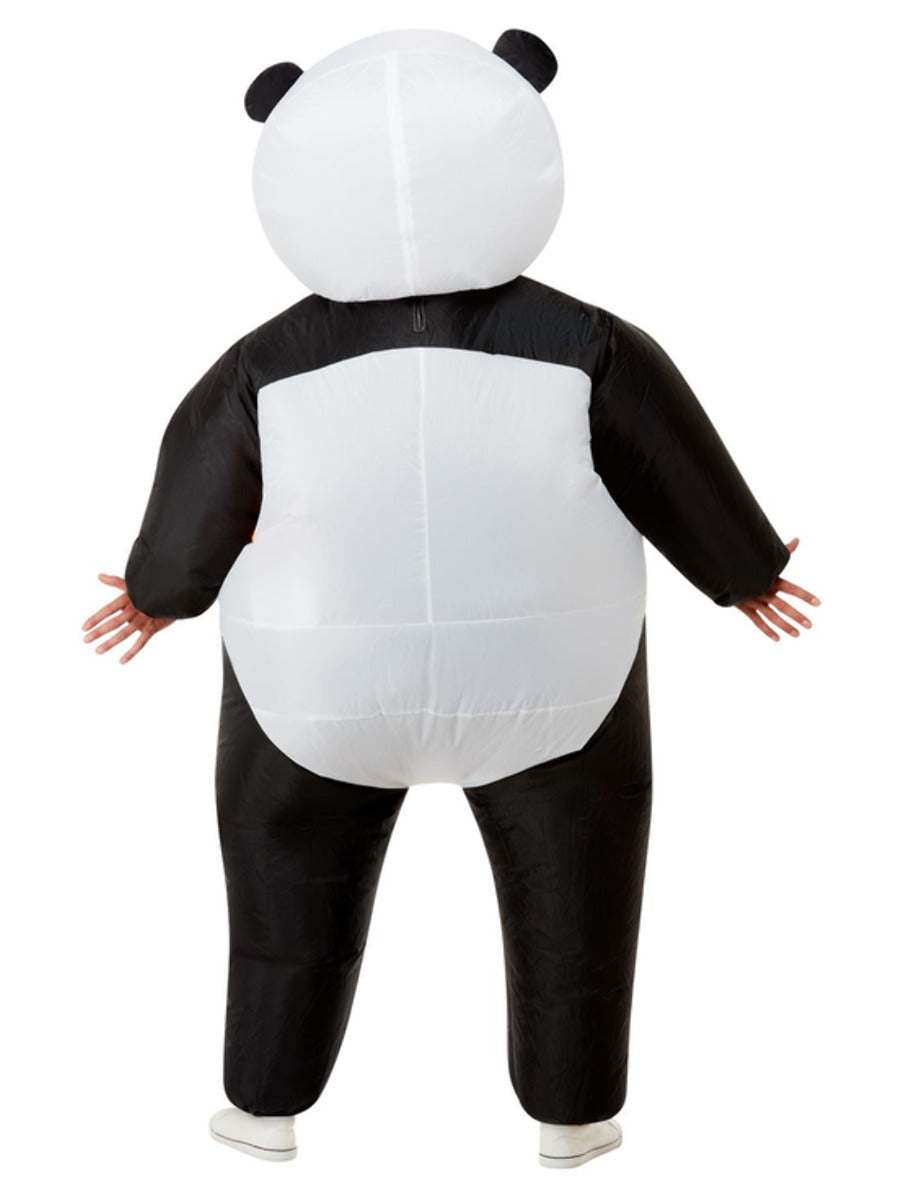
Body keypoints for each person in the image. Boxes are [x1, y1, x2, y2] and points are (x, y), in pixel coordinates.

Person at [81, 27, 820, 1169]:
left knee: (287, 905)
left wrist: (155, 595)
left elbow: (196, 506)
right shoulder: (589, 344)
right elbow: (671, 463)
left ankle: (264, 1109)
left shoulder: (262, 365)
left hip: (313, 690)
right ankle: (573, 1117)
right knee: (577, 903)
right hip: (555, 685)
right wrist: (746, 573)